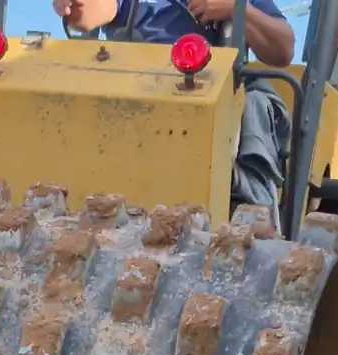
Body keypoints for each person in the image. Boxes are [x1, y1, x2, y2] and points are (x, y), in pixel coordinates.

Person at [50, 0, 296, 211]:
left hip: (213, 90)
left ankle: (252, 207)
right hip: (137, 88)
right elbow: (94, 12)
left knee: (255, 103)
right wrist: (75, 6)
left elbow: (283, 50)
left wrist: (233, 8)